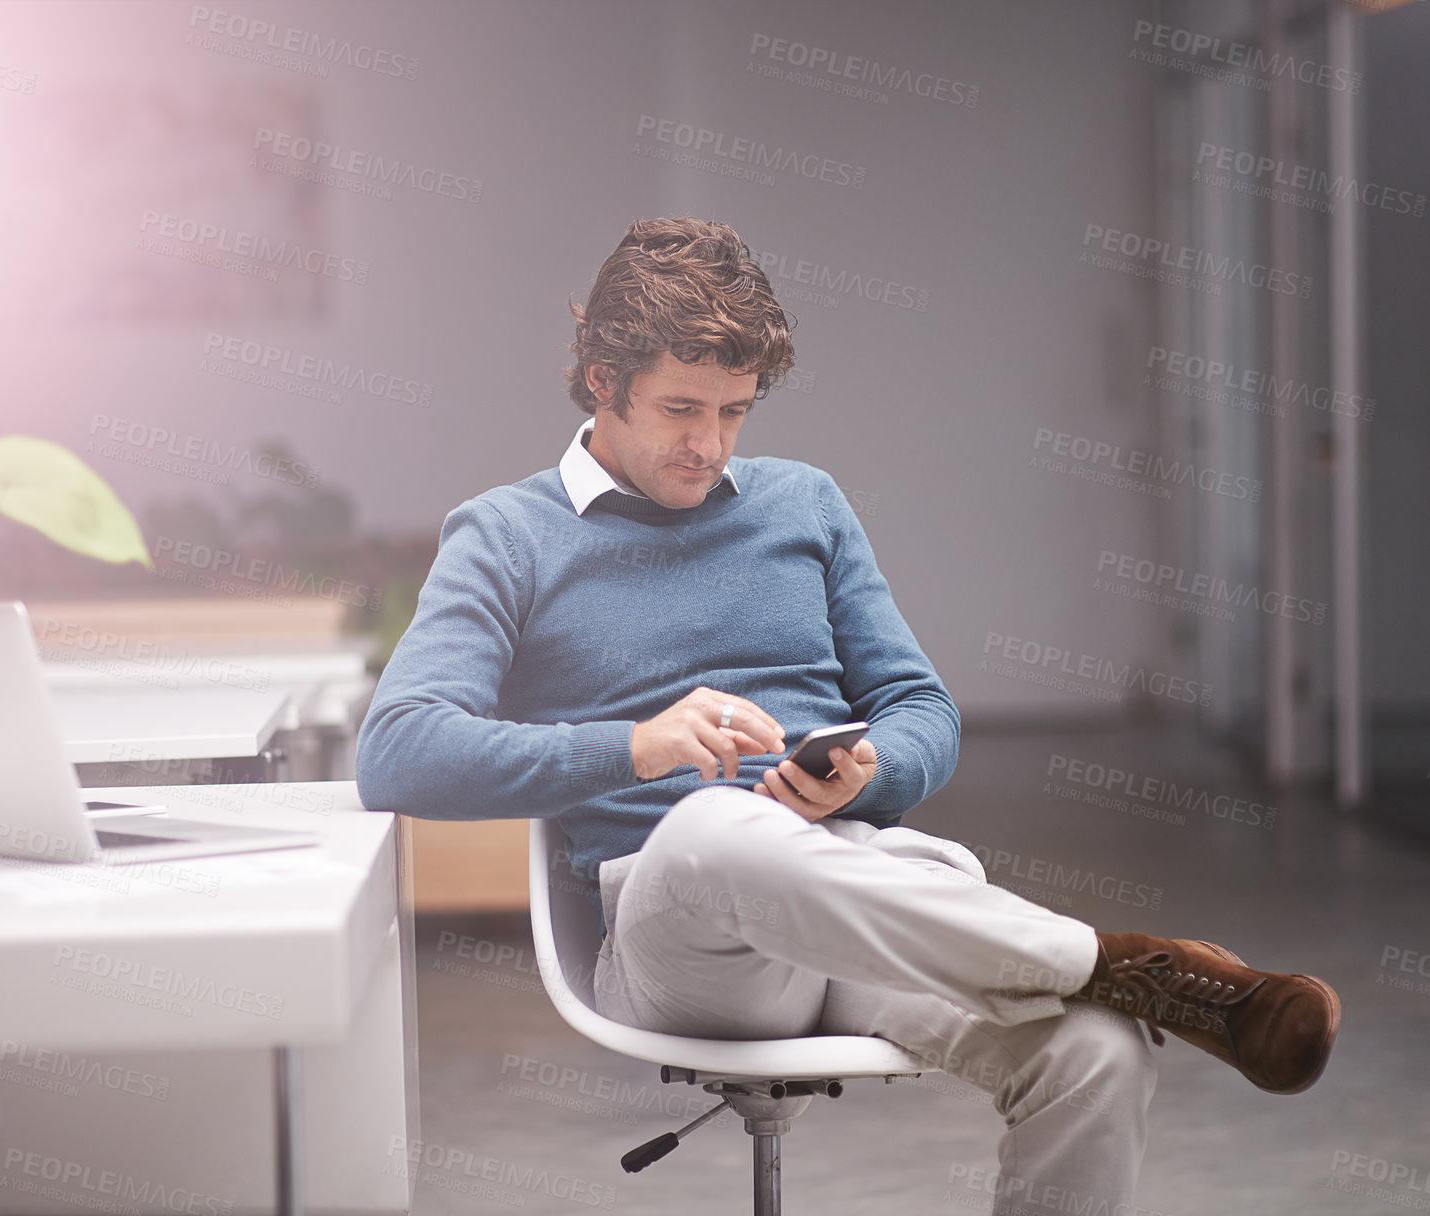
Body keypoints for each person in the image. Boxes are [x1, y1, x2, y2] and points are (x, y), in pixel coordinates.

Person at [355, 216, 1340, 1213]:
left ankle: (1110, 987)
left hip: (862, 896)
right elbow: (396, 752)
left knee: (1097, 1048)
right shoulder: (507, 534)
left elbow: (921, 709)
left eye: (736, 411)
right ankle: (1113, 962)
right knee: (713, 825)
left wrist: (873, 768)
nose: (708, 446)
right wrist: (637, 747)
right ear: (601, 380)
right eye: (681, 409)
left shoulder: (805, 504)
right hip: (679, 932)